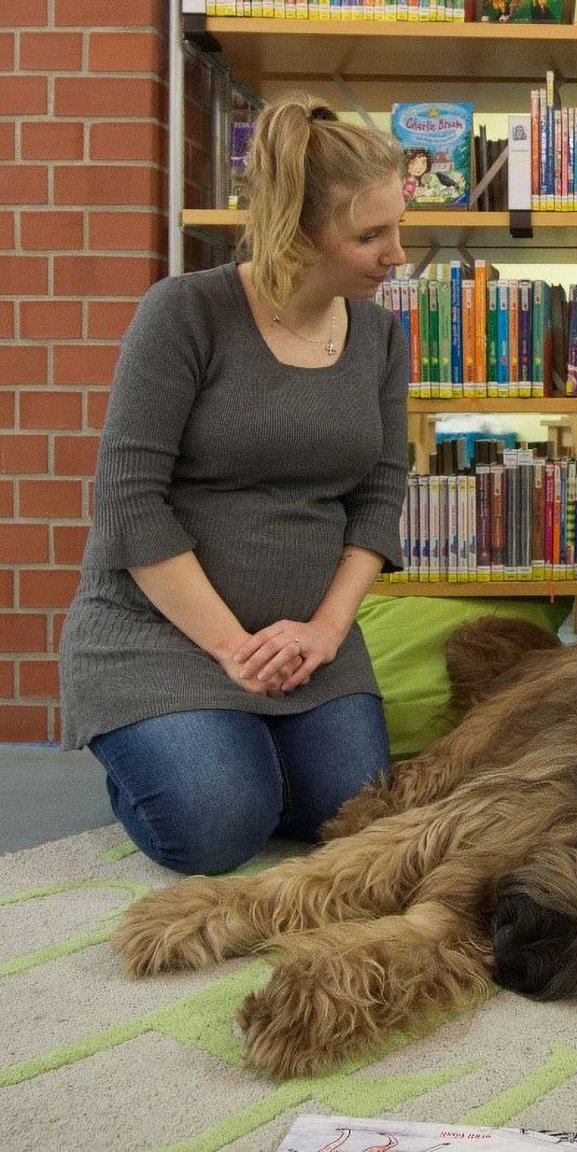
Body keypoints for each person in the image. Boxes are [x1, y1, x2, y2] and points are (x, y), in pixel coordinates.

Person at [58, 93, 410, 876]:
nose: (398, 255)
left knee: (356, 822)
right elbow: (128, 500)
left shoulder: (382, 336)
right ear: (300, 231)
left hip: (310, 646)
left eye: (399, 226)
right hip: (164, 637)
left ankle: (237, 751)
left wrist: (323, 630)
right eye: (370, 235)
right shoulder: (184, 312)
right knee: (216, 829)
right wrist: (232, 649)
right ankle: (173, 752)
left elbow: (380, 496)